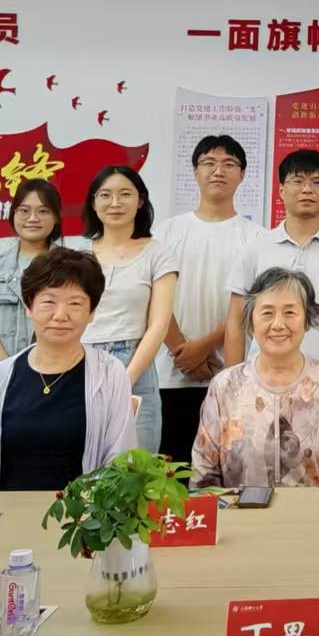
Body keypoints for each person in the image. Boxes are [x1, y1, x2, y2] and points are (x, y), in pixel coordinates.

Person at [0, 247, 136, 492]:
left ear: (91, 312)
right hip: (5, 512)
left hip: (83, 513)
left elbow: (119, 463)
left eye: (75, 304)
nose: (60, 315)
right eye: (49, 302)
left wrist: (88, 511)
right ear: (29, 307)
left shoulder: (110, 374)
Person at [194, 267, 319, 487]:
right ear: (251, 323)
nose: (278, 324)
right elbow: (203, 474)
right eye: (267, 313)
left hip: (312, 509)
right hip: (238, 508)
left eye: (290, 312)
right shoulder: (225, 386)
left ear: (306, 321)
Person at [152, 135, 258, 462]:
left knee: (226, 471)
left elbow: (255, 308)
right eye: (209, 163)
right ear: (195, 172)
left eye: (229, 164)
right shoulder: (166, 232)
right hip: (170, 375)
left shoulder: (258, 238)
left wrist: (202, 347)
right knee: (170, 474)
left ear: (242, 174)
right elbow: (152, 298)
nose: (218, 171)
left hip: (233, 376)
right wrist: (181, 350)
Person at [224, 149, 319, 374]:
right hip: (264, 378)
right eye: (297, 181)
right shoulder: (256, 247)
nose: (307, 189)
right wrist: (232, 382)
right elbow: (236, 322)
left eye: (317, 182)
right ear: (281, 190)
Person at [80, 165, 176, 454]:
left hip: (137, 364)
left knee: (136, 468)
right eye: (105, 195)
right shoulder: (77, 254)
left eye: (125, 194)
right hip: (83, 362)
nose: (115, 203)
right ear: (93, 203)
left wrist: (125, 380)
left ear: (140, 201)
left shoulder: (158, 253)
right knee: (83, 466)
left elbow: (159, 324)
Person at [0, 178, 65, 381]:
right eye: (24, 210)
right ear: (13, 214)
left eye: (43, 211)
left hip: (56, 376)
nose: (32, 218)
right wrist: (12, 372)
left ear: (56, 217)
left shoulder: (72, 268)